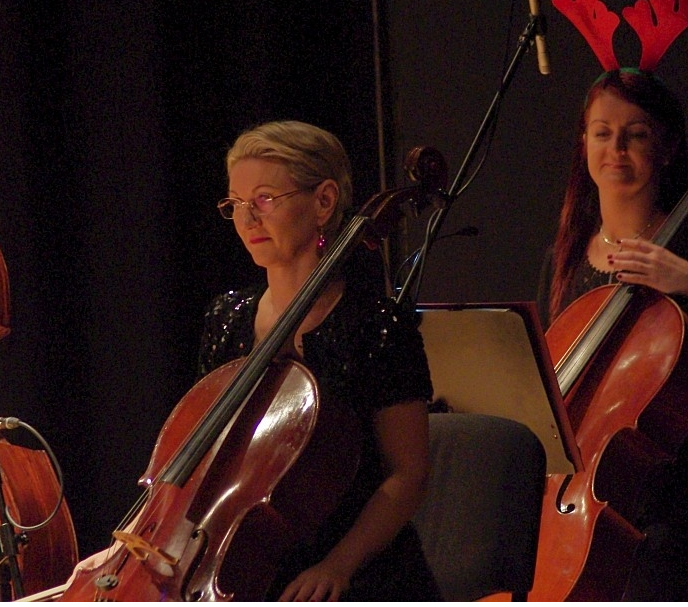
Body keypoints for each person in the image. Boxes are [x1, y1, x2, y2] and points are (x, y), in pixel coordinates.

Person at [66, 121, 441, 602]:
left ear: (324, 202)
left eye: (264, 199)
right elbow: (202, 464)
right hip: (240, 562)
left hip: (358, 571)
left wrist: (337, 567)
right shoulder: (228, 316)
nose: (247, 220)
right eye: (235, 205)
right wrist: (130, 545)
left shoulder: (377, 323)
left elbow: (408, 474)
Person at [536, 69, 688, 600]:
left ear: (667, 148)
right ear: (584, 145)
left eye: (637, 133)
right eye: (602, 133)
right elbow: (544, 375)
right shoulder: (567, 257)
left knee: (640, 545)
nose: (617, 148)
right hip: (592, 477)